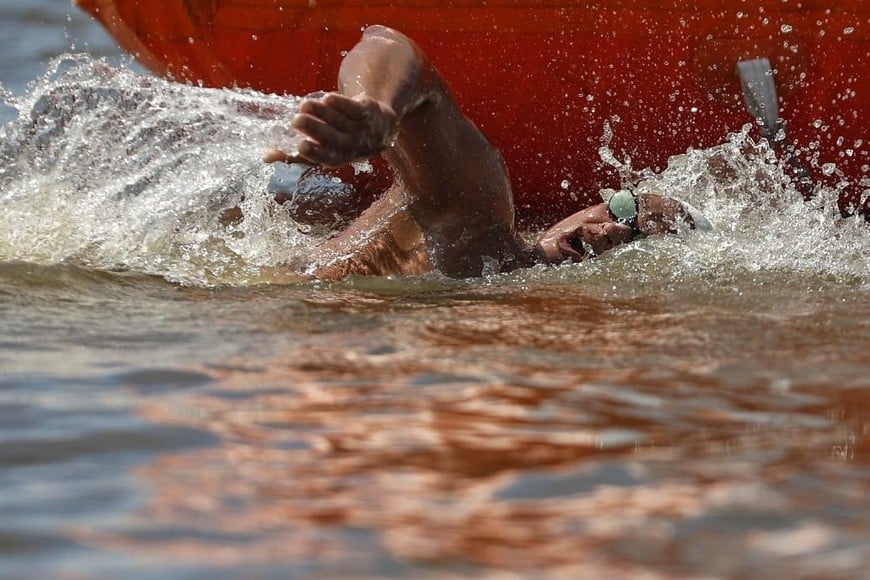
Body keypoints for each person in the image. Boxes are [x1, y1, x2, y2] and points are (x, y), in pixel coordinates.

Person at [264, 26, 706, 281]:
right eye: (625, 209)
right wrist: (379, 111)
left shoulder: (515, 296)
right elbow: (391, 46)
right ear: (591, 203)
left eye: (638, 239)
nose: (612, 231)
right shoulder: (479, 220)